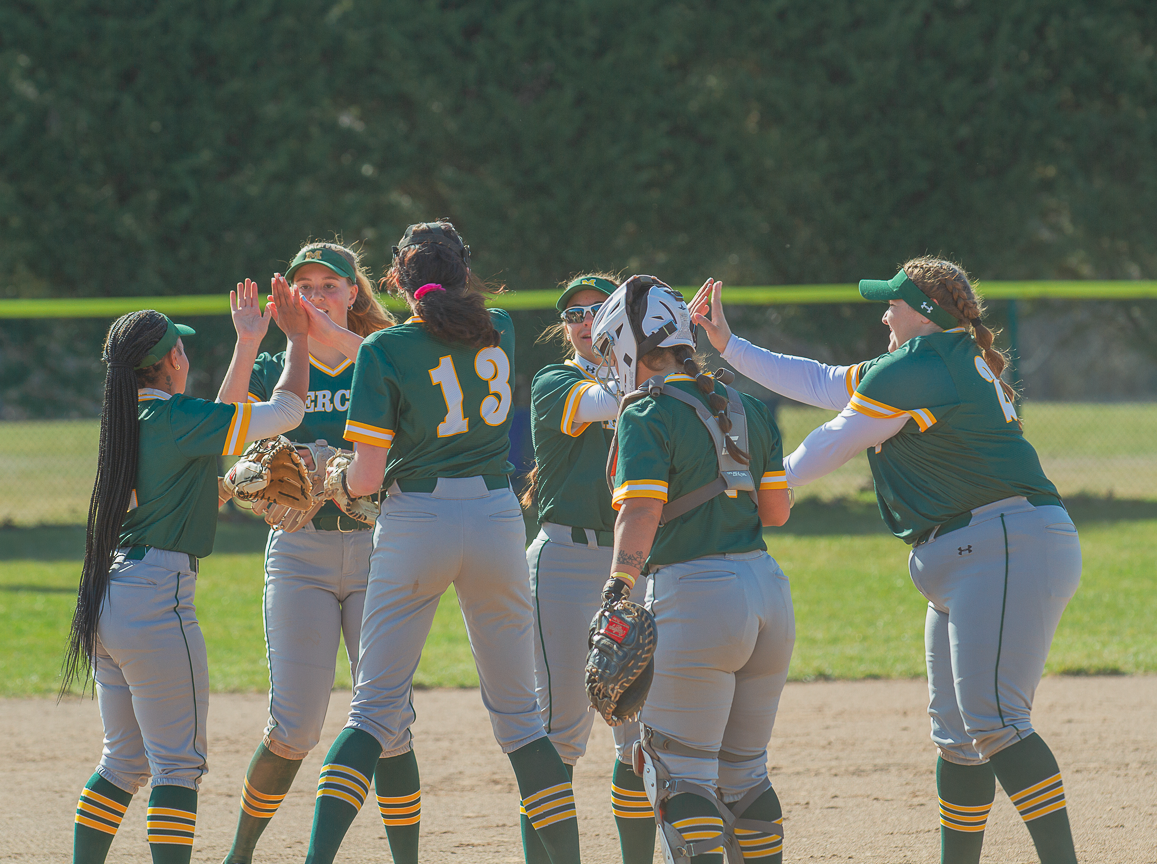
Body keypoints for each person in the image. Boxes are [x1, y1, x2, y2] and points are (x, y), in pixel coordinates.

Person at [693, 258, 1082, 864]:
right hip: (977, 548)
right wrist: (730, 346)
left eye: (892, 303)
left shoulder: (922, 367)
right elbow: (823, 382)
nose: (883, 313)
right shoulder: (926, 361)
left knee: (997, 721)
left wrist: (764, 491)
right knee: (960, 738)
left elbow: (834, 439)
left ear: (922, 313)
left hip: (1000, 542)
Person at [298, 220, 581, 864]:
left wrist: (333, 478)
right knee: (522, 721)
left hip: (418, 520)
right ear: (464, 274)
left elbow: (367, 475)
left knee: (372, 712)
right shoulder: (501, 329)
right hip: (497, 520)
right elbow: (429, 342)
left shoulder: (383, 353)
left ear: (394, 280)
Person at [62, 285, 312, 864]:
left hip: (112, 595)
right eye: (184, 350)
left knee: (123, 762)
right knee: (177, 765)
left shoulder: (130, 415)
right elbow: (288, 411)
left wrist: (249, 342)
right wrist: (297, 337)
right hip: (156, 600)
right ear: (174, 359)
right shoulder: (176, 418)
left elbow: (217, 425)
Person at [214, 244, 423, 864]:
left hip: (379, 550)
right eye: (303, 285)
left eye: (329, 285)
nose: (315, 295)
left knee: (388, 723)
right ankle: (240, 854)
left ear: (354, 292)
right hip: (299, 552)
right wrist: (249, 341)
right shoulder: (280, 364)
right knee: (295, 726)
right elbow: (224, 430)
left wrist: (347, 468)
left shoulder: (382, 356)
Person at [591, 276, 793, 864]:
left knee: (681, 776)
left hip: (695, 595)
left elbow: (641, 510)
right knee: (745, 776)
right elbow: (775, 511)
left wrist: (616, 589)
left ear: (630, 346)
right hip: (767, 595)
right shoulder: (749, 405)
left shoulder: (645, 410)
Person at [520, 273, 656, 864]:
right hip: (567, 563)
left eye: (598, 310)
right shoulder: (556, 381)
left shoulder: (652, 380)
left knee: (640, 736)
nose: (583, 320)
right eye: (572, 312)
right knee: (560, 730)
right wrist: (664, 365)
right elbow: (605, 402)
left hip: (640, 562)